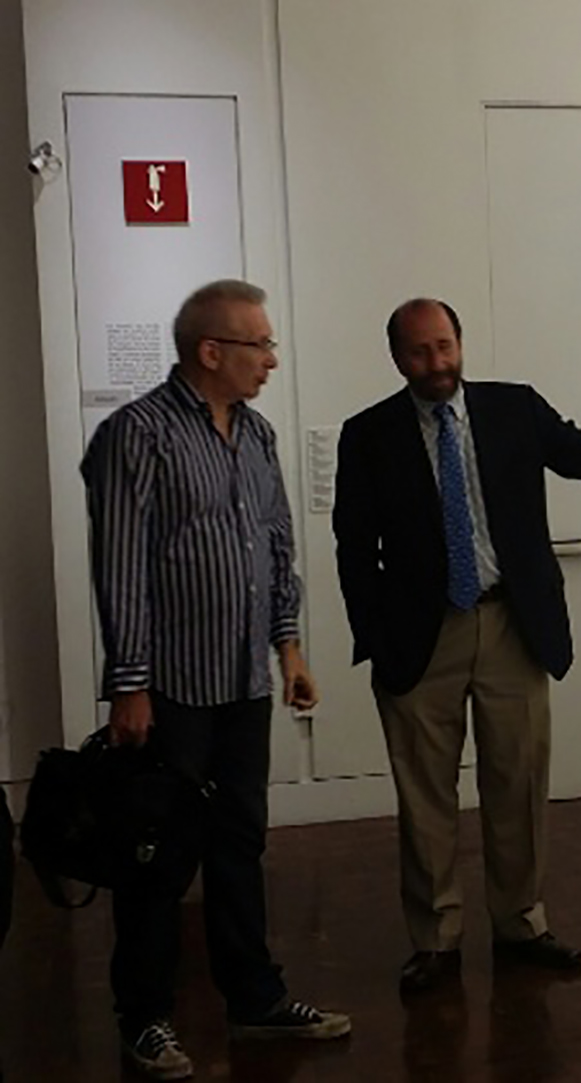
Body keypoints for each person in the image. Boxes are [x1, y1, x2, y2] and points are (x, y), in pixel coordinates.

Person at [332, 298, 581, 995]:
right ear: (397, 358)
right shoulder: (368, 434)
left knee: (517, 782)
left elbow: (574, 450)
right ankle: (436, 939)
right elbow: (353, 544)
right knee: (426, 795)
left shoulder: (513, 408)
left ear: (461, 343)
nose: (436, 362)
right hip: (420, 635)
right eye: (419, 351)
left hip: (510, 626)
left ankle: (521, 923)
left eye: (444, 346)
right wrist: (374, 632)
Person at [81, 279, 350, 1080]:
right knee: (155, 856)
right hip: (169, 688)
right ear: (211, 351)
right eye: (259, 344)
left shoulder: (257, 433)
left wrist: (289, 648)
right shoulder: (138, 434)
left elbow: (276, 545)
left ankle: (255, 998)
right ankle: (145, 1016)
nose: (271, 359)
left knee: (240, 842)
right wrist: (130, 684)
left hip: (244, 684)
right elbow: (120, 566)